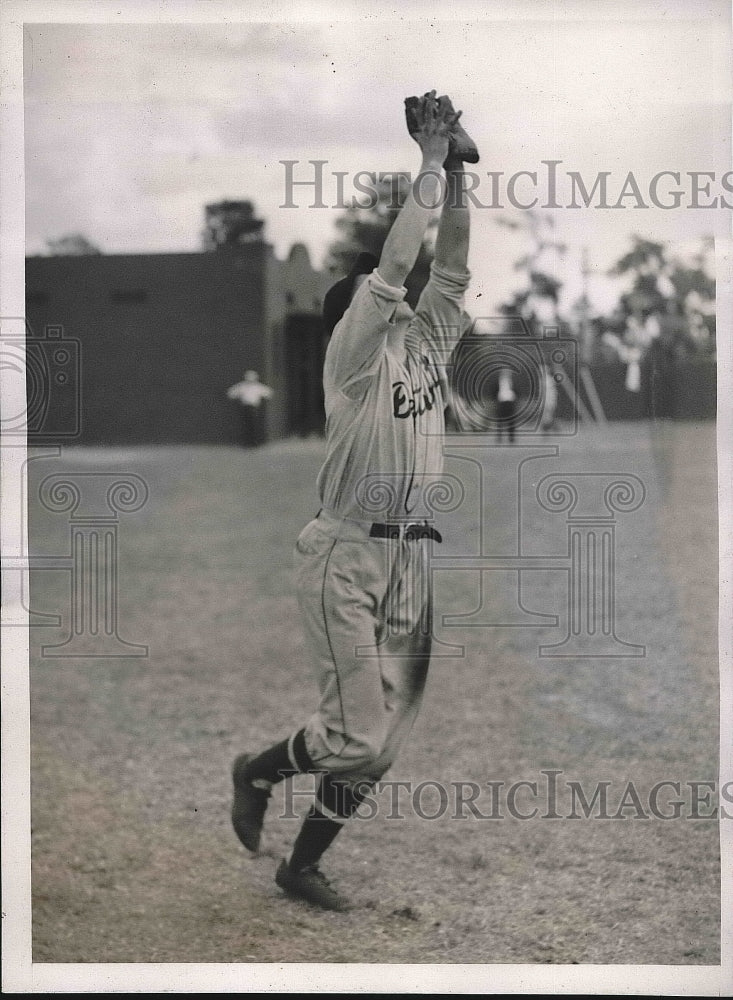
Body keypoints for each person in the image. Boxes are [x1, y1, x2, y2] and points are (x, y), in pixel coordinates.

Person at [230, 91, 476, 911]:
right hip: (346, 553)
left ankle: (299, 866)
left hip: (411, 555)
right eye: (382, 298)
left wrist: (463, 173)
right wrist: (430, 163)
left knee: (380, 749)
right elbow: (402, 264)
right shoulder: (356, 359)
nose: (401, 300)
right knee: (353, 737)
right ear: (354, 320)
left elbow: (450, 267)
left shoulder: (424, 347)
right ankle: (258, 770)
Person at [226, 370, 273, 446]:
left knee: (253, 426)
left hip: (253, 408)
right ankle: (249, 443)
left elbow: (269, 393)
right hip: (246, 408)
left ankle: (254, 442)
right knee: (248, 426)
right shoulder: (243, 386)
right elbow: (231, 393)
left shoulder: (256, 386)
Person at [495, 367, 518, 443]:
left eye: (508, 372)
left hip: (510, 402)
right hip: (501, 402)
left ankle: (511, 438)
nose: (506, 374)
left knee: (511, 421)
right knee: (500, 421)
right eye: (504, 372)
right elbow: (494, 391)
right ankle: (499, 438)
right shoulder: (498, 381)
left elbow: (517, 390)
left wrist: (514, 397)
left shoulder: (513, 381)